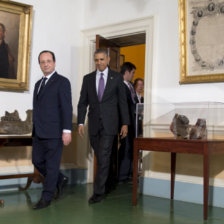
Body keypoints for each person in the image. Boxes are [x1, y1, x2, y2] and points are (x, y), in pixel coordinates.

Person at [77, 48, 129, 204]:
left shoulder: (117, 78)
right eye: (96, 60)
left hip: (110, 125)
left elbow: (122, 102)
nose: (98, 62)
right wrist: (80, 122)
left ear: (108, 60)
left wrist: (125, 123)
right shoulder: (88, 79)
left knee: (104, 156)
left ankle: (98, 193)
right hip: (93, 125)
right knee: (101, 156)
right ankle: (109, 182)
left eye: (101, 59)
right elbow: (82, 102)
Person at [32, 50, 73, 209]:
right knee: (36, 161)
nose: (46, 64)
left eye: (49, 61)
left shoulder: (62, 82)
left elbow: (66, 108)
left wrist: (67, 130)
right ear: (40, 64)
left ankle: (46, 198)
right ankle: (59, 179)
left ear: (54, 62)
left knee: (51, 165)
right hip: (38, 132)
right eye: (42, 62)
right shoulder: (38, 84)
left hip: (55, 132)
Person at [118, 62, 137, 183]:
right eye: (133, 73)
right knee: (125, 149)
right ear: (126, 72)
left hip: (133, 123)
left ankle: (130, 173)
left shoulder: (130, 86)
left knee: (131, 148)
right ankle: (122, 176)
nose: (133, 75)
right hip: (124, 123)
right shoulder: (120, 86)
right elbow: (121, 106)